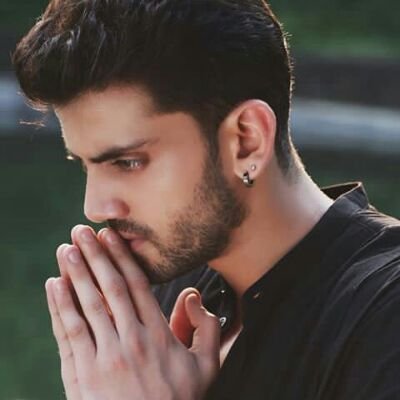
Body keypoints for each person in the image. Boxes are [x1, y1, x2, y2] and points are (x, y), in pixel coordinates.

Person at [12, 0, 400, 399]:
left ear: (246, 140)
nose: (95, 207)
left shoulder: (383, 312)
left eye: (128, 162)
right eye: (85, 165)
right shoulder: (159, 305)